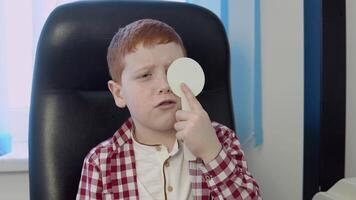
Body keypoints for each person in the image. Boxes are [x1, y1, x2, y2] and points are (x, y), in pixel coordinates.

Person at [76, 19, 261, 200]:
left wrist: (211, 152)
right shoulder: (100, 163)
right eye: (145, 75)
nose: (164, 85)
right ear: (119, 93)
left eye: (173, 71)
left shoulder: (221, 140)